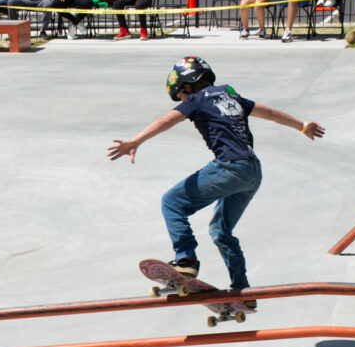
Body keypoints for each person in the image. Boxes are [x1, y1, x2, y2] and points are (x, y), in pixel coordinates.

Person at [107, 56, 325, 306]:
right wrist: (302, 126)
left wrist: (136, 140)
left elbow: (167, 120)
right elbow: (272, 113)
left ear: (187, 85)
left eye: (180, 96)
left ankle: (186, 260)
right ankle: (243, 291)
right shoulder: (231, 96)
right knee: (221, 231)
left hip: (230, 166)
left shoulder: (197, 100)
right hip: (253, 171)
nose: (182, 101)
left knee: (172, 202)